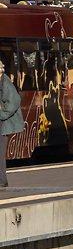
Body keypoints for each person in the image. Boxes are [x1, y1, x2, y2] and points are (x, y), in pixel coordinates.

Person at [0, 58, 22, 187]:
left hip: (2, 123)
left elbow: (15, 101)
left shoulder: (5, 82)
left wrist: (1, 114)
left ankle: (2, 180)